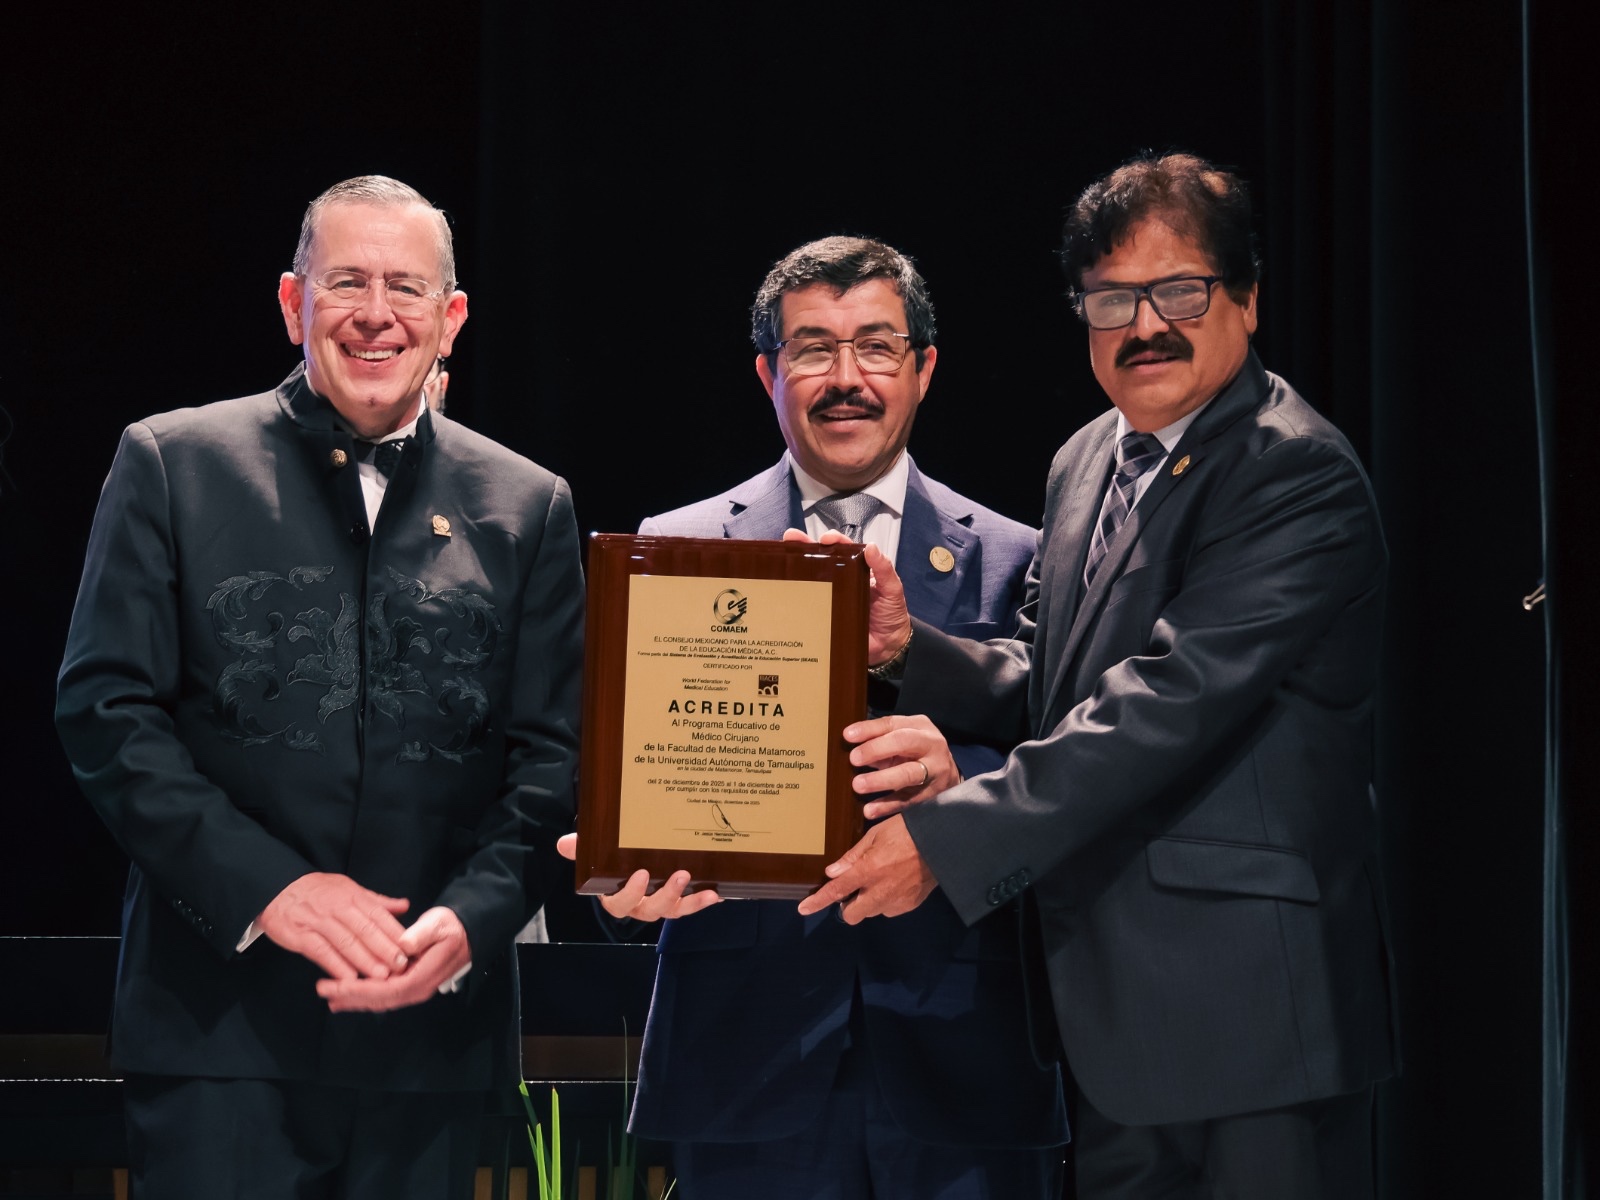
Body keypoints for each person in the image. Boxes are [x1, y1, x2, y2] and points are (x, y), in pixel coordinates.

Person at [800, 155, 1399, 1198]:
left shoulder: (1292, 468)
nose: (1145, 325)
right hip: (1111, 1012)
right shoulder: (1088, 458)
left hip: (1251, 1016)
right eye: (1111, 298)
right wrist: (905, 650)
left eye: (1181, 291)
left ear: (1248, 300)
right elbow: (1052, 672)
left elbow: (1164, 702)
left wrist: (945, 838)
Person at [55, 175, 584, 1199]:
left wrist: (471, 922)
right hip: (217, 1033)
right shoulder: (171, 461)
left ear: (451, 319)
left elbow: (551, 758)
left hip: (434, 1038)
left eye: (406, 288)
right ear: (294, 304)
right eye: (346, 283)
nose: (375, 314)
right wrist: (274, 890)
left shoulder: (529, 504)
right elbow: (106, 714)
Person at [565, 236, 1068, 1199]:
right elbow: (620, 787)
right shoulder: (670, 551)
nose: (847, 379)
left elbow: (1066, 768)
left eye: (876, 346)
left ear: (924, 369)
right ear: (768, 374)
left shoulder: (1019, 559)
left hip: (966, 1049)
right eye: (812, 349)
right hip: (742, 1059)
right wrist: (621, 883)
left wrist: (958, 785)